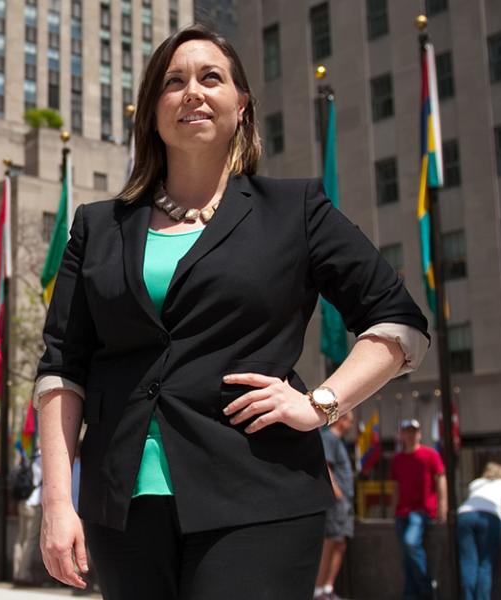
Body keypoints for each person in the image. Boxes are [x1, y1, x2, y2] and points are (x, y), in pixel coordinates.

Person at [34, 23, 430, 599]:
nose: (191, 91)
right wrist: (56, 501)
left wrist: (319, 403)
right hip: (119, 506)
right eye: (173, 82)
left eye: (210, 77)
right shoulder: (98, 226)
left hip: (260, 491)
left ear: (241, 105)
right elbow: (62, 367)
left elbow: (397, 322)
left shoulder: (296, 210)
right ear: (151, 110)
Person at [390, 419, 446, 600]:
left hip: (422, 511)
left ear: (419, 434)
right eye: (407, 431)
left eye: (413, 431)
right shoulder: (397, 459)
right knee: (406, 556)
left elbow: (440, 480)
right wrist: (393, 510)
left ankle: (426, 587)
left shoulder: (430, 454)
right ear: (401, 435)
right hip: (402, 512)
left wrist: (442, 507)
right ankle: (411, 593)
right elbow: (396, 487)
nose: (410, 435)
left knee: (410, 543)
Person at [455, 462, 501, 600]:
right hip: (490, 517)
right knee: (485, 564)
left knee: (468, 562)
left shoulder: (476, 483)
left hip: (464, 516)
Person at [315, 412, 356, 600]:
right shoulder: (329, 438)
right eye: (349, 419)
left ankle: (327, 588)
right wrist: (338, 495)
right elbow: (326, 466)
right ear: (341, 420)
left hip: (343, 501)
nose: (351, 424)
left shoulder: (337, 440)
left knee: (339, 542)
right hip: (337, 501)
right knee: (331, 541)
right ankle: (319, 590)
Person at [12, 449, 42, 585]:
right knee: (30, 540)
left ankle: (17, 572)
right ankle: (23, 574)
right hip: (35, 503)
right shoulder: (45, 458)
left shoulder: (31, 458)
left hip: (23, 501)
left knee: (20, 538)